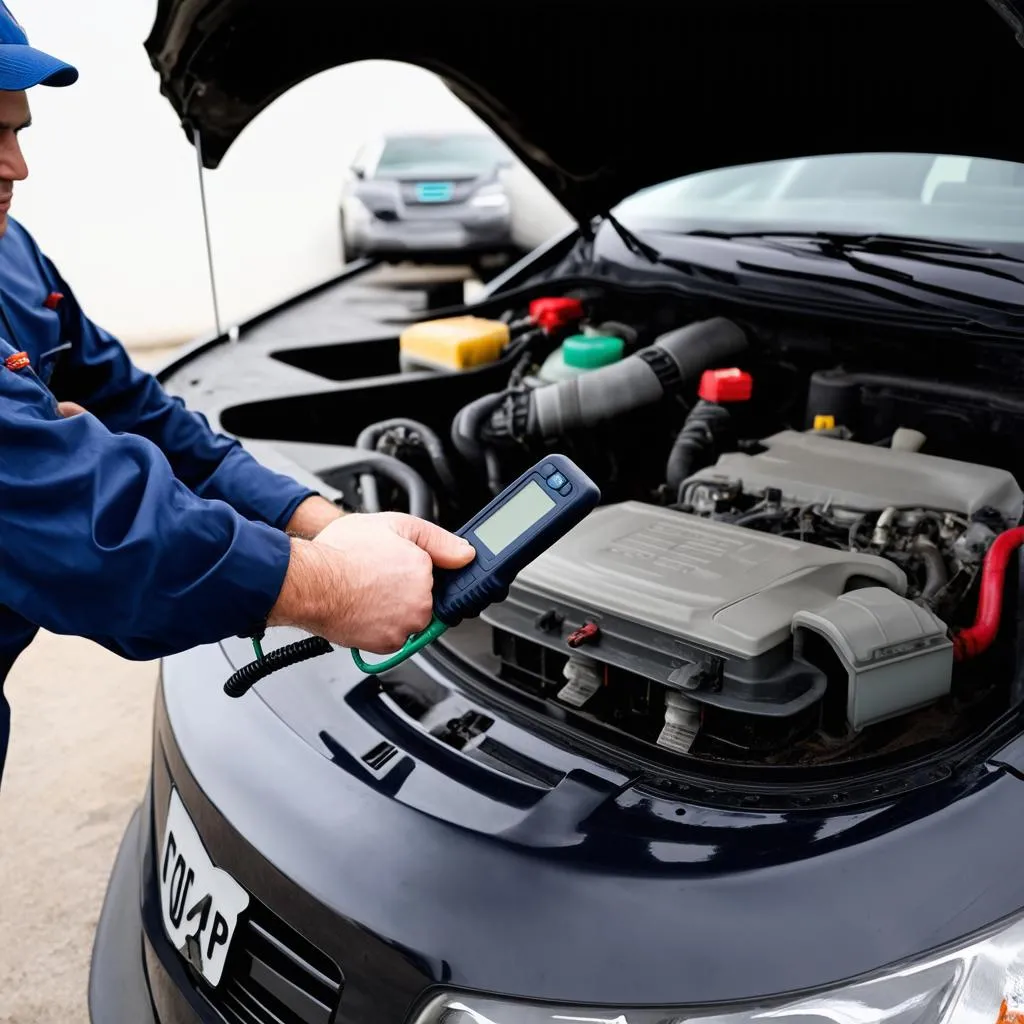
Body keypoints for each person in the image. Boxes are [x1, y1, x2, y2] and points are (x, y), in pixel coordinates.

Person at [0, 7, 476, 785]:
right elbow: (105, 537)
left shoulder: (13, 256)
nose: (16, 168)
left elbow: (140, 415)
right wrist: (331, 586)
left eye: (18, 132)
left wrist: (326, 526)